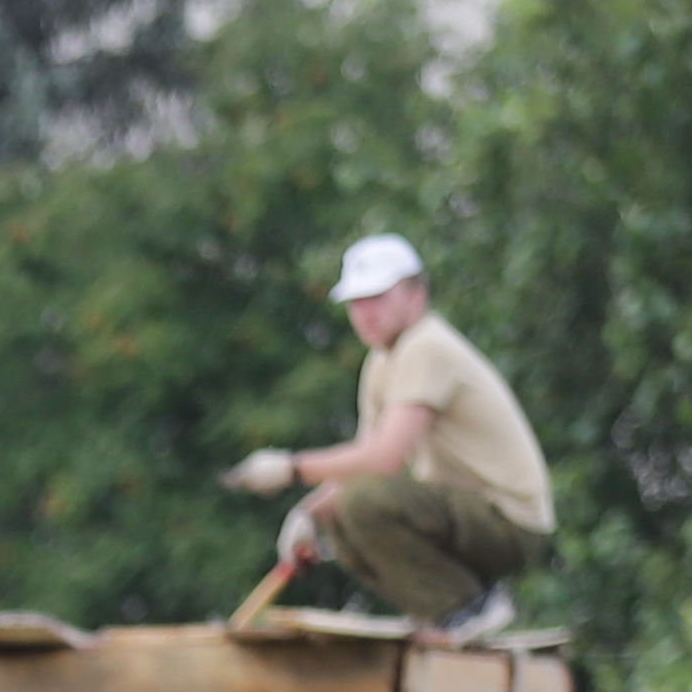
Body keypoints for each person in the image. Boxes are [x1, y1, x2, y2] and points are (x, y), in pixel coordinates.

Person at [219, 232, 556, 643]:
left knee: (365, 504)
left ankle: (467, 609)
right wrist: (309, 515)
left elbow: (382, 461)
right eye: (356, 304)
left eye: (378, 299)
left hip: (509, 525)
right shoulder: (382, 362)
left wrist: (290, 468)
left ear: (416, 296)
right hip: (466, 519)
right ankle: (450, 612)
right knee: (344, 519)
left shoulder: (426, 345)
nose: (365, 314)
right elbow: (361, 463)